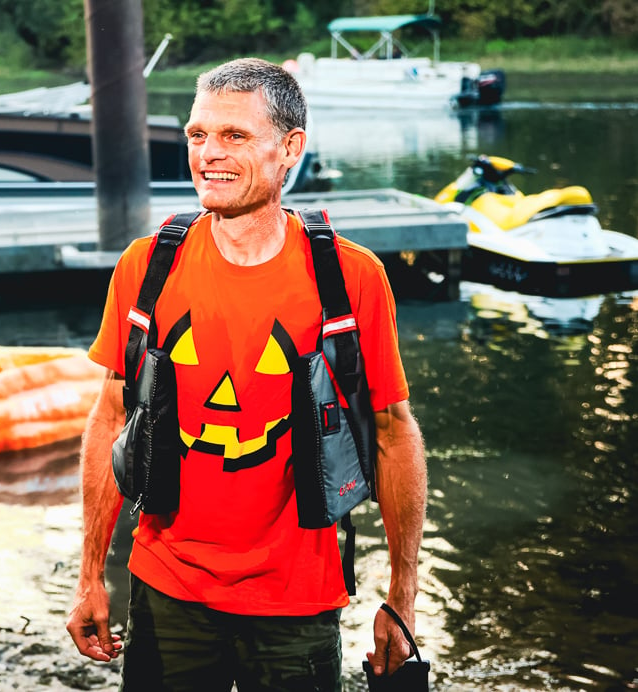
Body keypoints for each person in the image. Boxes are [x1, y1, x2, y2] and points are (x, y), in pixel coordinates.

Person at [65, 57, 427, 690]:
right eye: (198, 135)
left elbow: (394, 436)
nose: (209, 154)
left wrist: (403, 595)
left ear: (290, 148)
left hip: (298, 602)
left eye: (234, 136)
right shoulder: (146, 266)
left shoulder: (351, 278)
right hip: (167, 586)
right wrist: (90, 573)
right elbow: (113, 418)